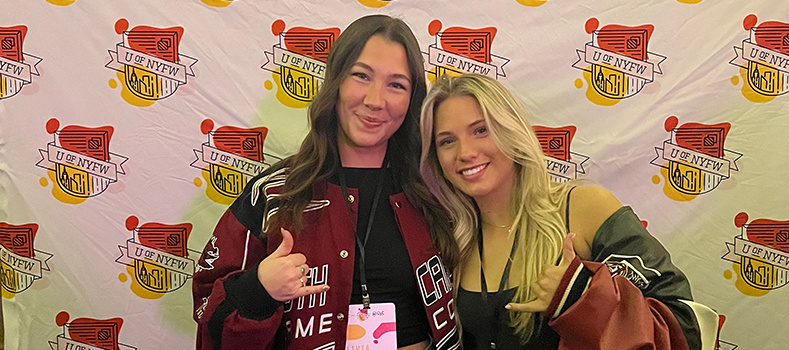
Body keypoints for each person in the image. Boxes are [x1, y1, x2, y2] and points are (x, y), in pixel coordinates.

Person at [192, 15, 460, 350]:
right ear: (335, 82)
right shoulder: (276, 193)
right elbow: (208, 308)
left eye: (397, 85)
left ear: (412, 100)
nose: (376, 100)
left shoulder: (438, 193)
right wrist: (258, 289)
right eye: (361, 76)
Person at [419, 74, 707, 350]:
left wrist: (580, 295)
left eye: (481, 130)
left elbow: (684, 327)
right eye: (447, 141)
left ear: (512, 130)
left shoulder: (581, 208)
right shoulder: (452, 241)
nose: (465, 152)